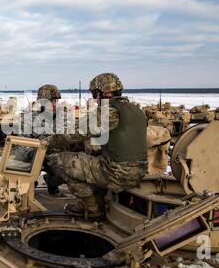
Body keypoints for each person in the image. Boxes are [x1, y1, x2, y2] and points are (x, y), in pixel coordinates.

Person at [46, 73, 148, 219]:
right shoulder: (137, 111)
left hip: (116, 173)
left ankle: (92, 208)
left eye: (95, 94)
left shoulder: (110, 112)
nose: (95, 99)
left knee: (59, 160)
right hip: (140, 171)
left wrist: (49, 142)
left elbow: (75, 132)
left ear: (104, 92)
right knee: (92, 159)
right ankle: (99, 200)